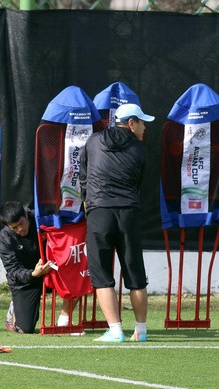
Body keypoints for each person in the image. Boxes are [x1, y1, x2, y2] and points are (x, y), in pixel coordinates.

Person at [79, 103, 154, 342]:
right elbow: (137, 183)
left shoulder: (93, 141)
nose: (145, 128)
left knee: (101, 275)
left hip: (99, 213)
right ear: (131, 123)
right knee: (136, 275)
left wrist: (88, 202)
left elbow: (83, 175)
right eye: (142, 123)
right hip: (128, 214)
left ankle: (115, 331)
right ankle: (140, 331)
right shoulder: (140, 150)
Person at [0, 201, 54, 333]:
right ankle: (15, 307)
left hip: (51, 271)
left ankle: (65, 320)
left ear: (26, 216)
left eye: (21, 224)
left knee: (77, 279)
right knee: (25, 329)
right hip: (25, 282)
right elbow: (13, 270)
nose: (19, 229)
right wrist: (33, 274)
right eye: (14, 228)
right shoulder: (4, 238)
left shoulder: (41, 220)